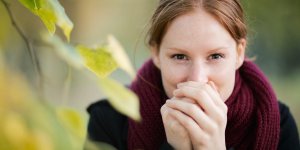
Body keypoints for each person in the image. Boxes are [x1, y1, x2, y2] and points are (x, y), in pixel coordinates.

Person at [86, 0, 300, 149]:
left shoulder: (279, 124)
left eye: (215, 56)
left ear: (239, 53)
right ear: (156, 54)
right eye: (180, 56)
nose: (197, 79)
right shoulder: (109, 121)